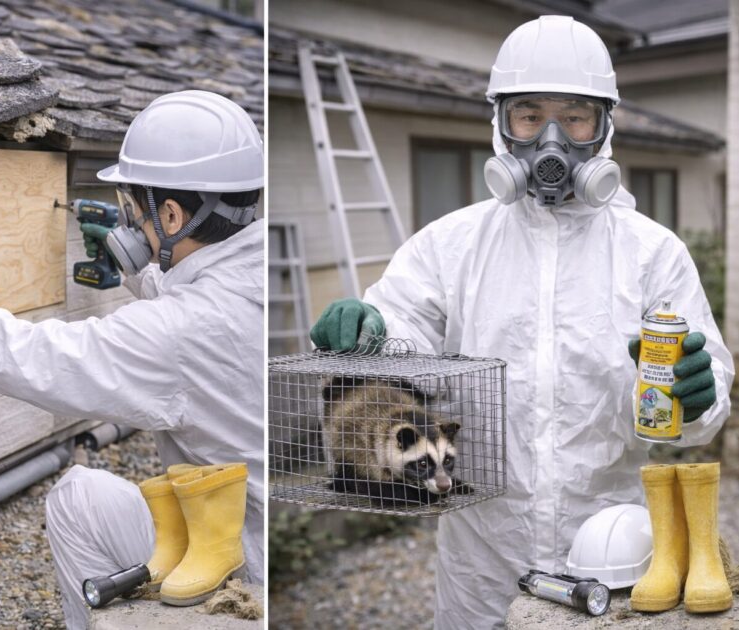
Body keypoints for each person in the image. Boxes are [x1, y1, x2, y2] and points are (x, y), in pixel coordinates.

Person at [309, 16, 734, 629]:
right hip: (482, 558)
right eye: (530, 117)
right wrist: (371, 329)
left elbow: (699, 408)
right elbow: (402, 334)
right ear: (501, 126)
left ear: (603, 128)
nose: (551, 140)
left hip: (614, 550)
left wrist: (700, 394)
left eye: (576, 117)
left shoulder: (651, 253)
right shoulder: (451, 244)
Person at [0, 90, 264, 629]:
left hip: (242, 562)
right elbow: (194, 312)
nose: (131, 225)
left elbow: (38, 359)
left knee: (77, 495)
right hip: (255, 525)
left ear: (171, 214)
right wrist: (136, 272)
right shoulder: (255, 271)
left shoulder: (182, 329)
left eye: (133, 211)